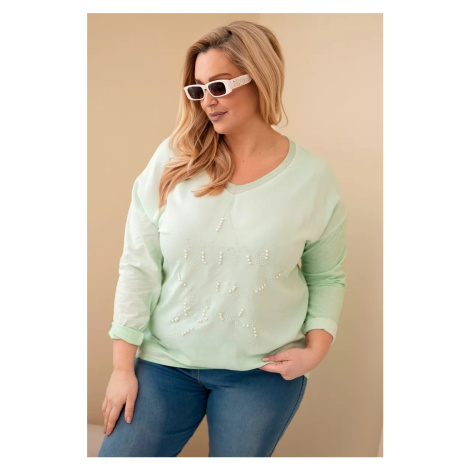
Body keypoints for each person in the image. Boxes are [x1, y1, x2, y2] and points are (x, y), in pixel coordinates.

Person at [98, 20, 347, 458]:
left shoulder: (313, 179)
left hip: (261, 372)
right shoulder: (173, 160)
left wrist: (314, 353)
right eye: (198, 89)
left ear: (260, 78)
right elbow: (139, 264)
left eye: (219, 86)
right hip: (165, 364)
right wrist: (123, 368)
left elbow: (326, 276)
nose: (207, 101)